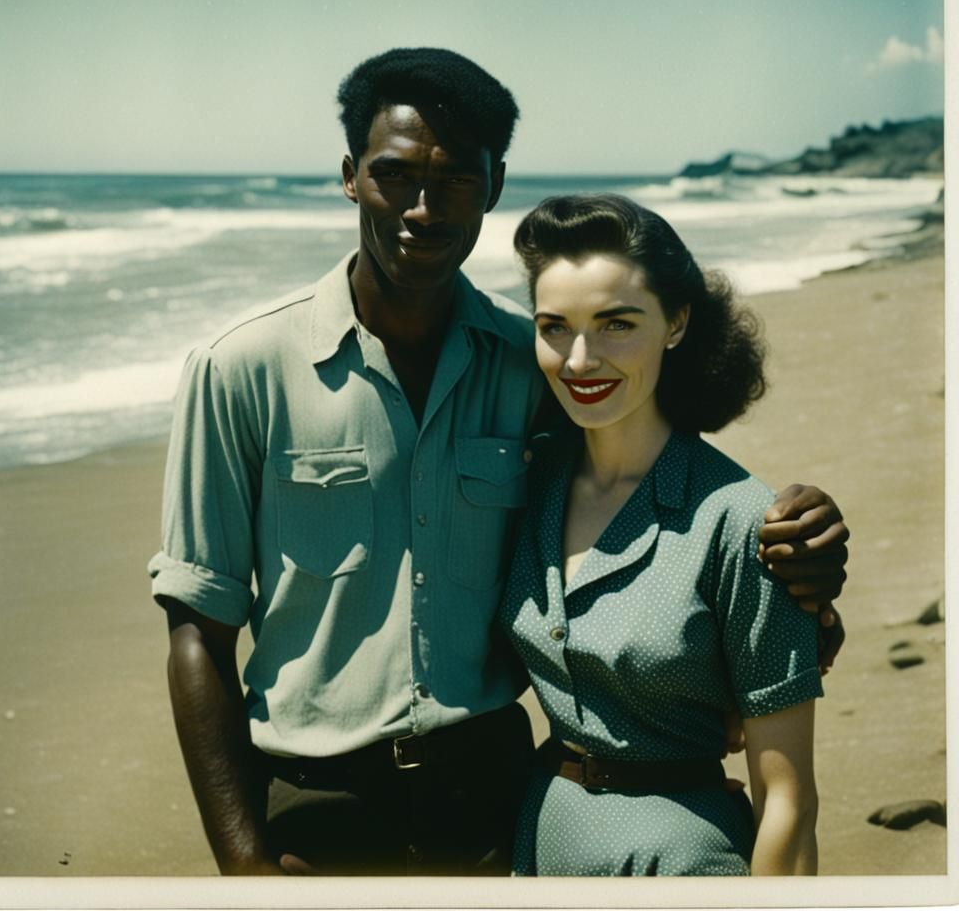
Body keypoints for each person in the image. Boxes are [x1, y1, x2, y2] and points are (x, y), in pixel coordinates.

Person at [148, 48, 848, 877]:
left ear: (494, 185)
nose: (420, 207)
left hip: (495, 805)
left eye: (453, 181)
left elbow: (648, 524)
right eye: (394, 175)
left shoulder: (536, 363)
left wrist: (800, 559)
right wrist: (245, 867)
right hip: (315, 807)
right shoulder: (240, 369)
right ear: (349, 176)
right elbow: (197, 630)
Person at [502, 194, 823, 876]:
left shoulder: (741, 519)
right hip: (542, 843)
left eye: (617, 324)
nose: (580, 358)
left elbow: (789, 800)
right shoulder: (528, 486)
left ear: (677, 322)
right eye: (554, 326)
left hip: (680, 864)